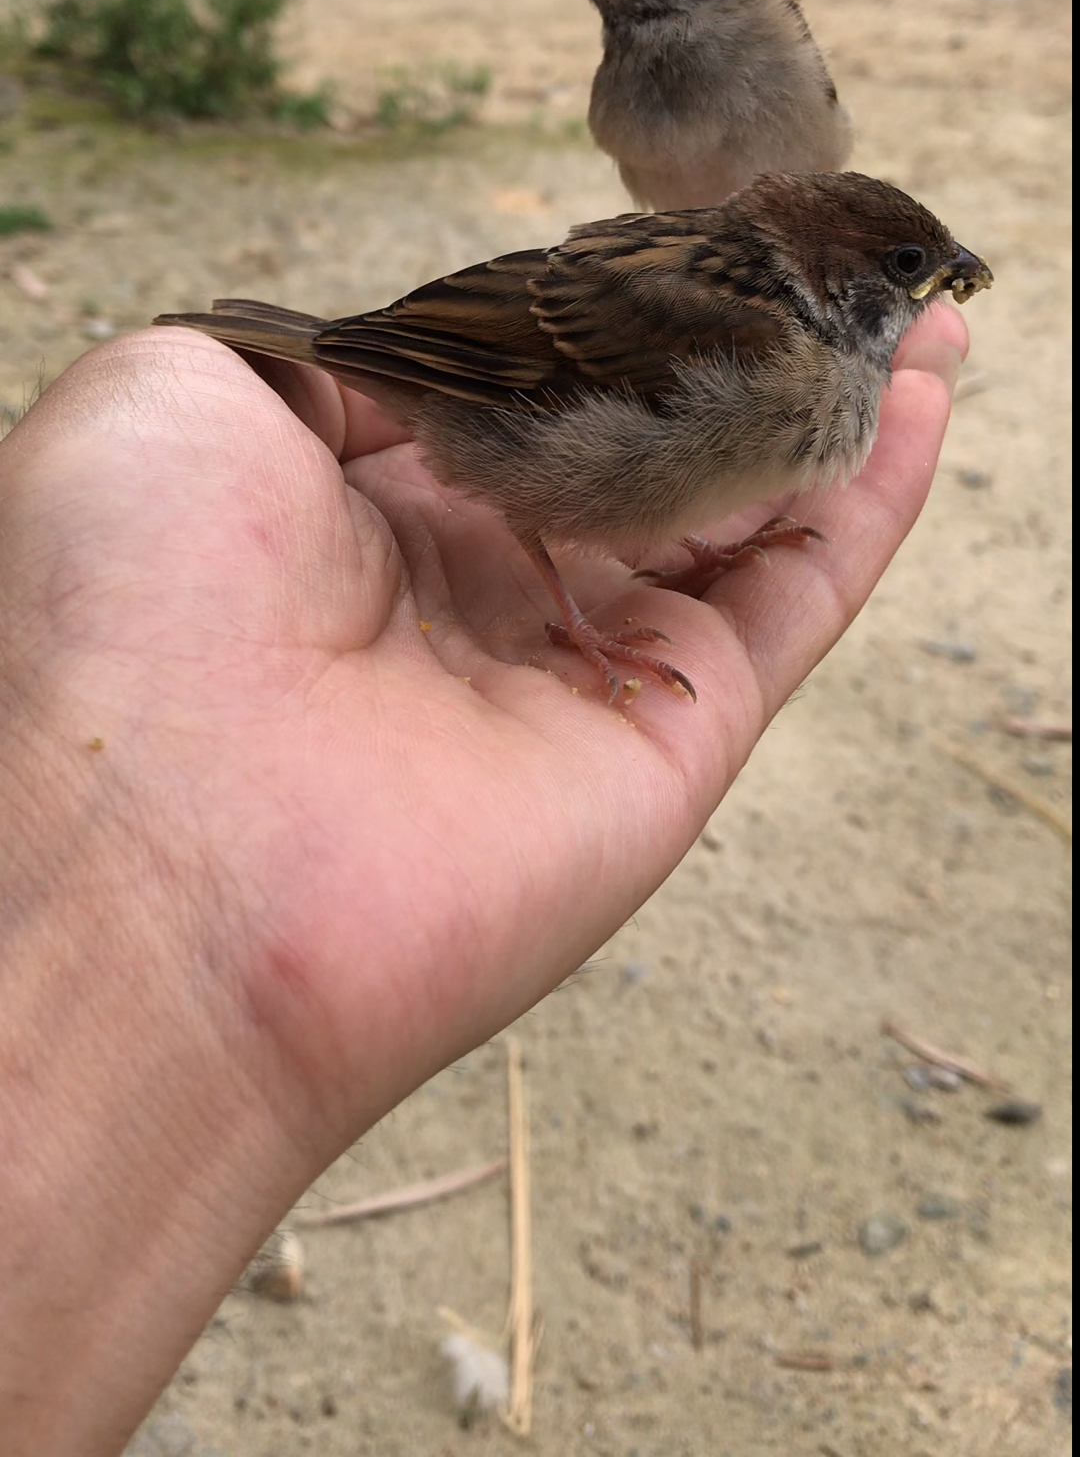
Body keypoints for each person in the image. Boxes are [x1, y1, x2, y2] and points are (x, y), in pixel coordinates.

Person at [0, 304, 967, 1455]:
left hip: (545, 409)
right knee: (563, 505)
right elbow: (546, 443)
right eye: (902, 273)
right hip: (504, 402)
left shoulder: (752, 327)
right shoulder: (736, 328)